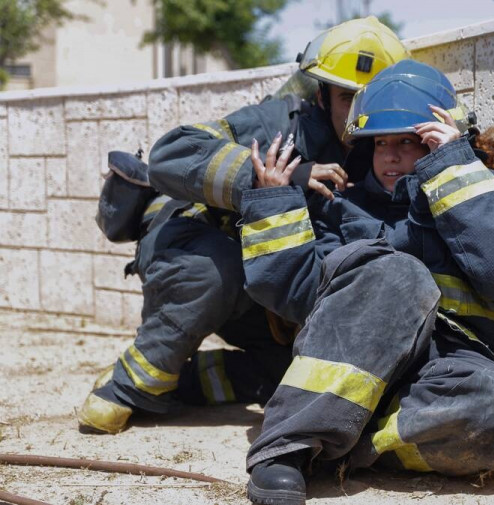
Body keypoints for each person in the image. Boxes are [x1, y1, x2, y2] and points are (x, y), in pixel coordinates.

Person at [237, 60, 494, 505]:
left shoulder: (479, 188)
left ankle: (352, 445)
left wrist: (454, 168)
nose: (389, 155)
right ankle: (287, 448)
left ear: (443, 138)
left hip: (446, 368)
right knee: (399, 273)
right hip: (354, 354)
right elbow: (294, 297)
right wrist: (273, 203)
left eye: (408, 141)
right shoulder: (342, 206)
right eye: (380, 142)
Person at [77, 17, 410, 435]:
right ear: (322, 95)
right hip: (190, 246)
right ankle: (125, 389)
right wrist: (280, 177)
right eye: (347, 98)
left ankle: (181, 379)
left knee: (293, 373)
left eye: (371, 102)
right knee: (217, 270)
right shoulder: (279, 124)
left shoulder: (378, 151)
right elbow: (171, 154)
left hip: (264, 278)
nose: (359, 116)